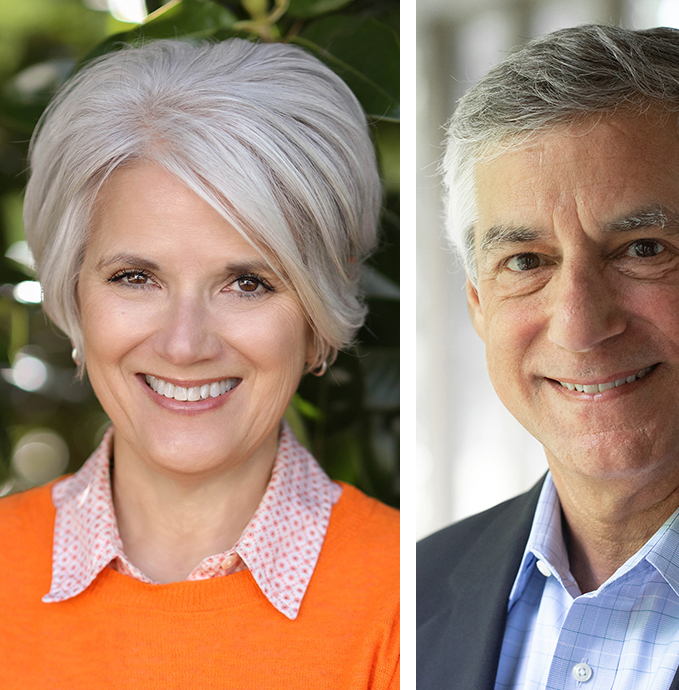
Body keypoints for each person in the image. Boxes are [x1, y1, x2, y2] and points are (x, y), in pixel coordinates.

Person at [417, 24, 679, 689]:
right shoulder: (417, 590)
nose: (579, 326)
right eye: (526, 262)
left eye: (642, 249)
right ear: (478, 302)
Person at [0, 39, 398, 687]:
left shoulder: (409, 598)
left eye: (248, 283)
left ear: (319, 313)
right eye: (135, 278)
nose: (185, 345)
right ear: (73, 293)